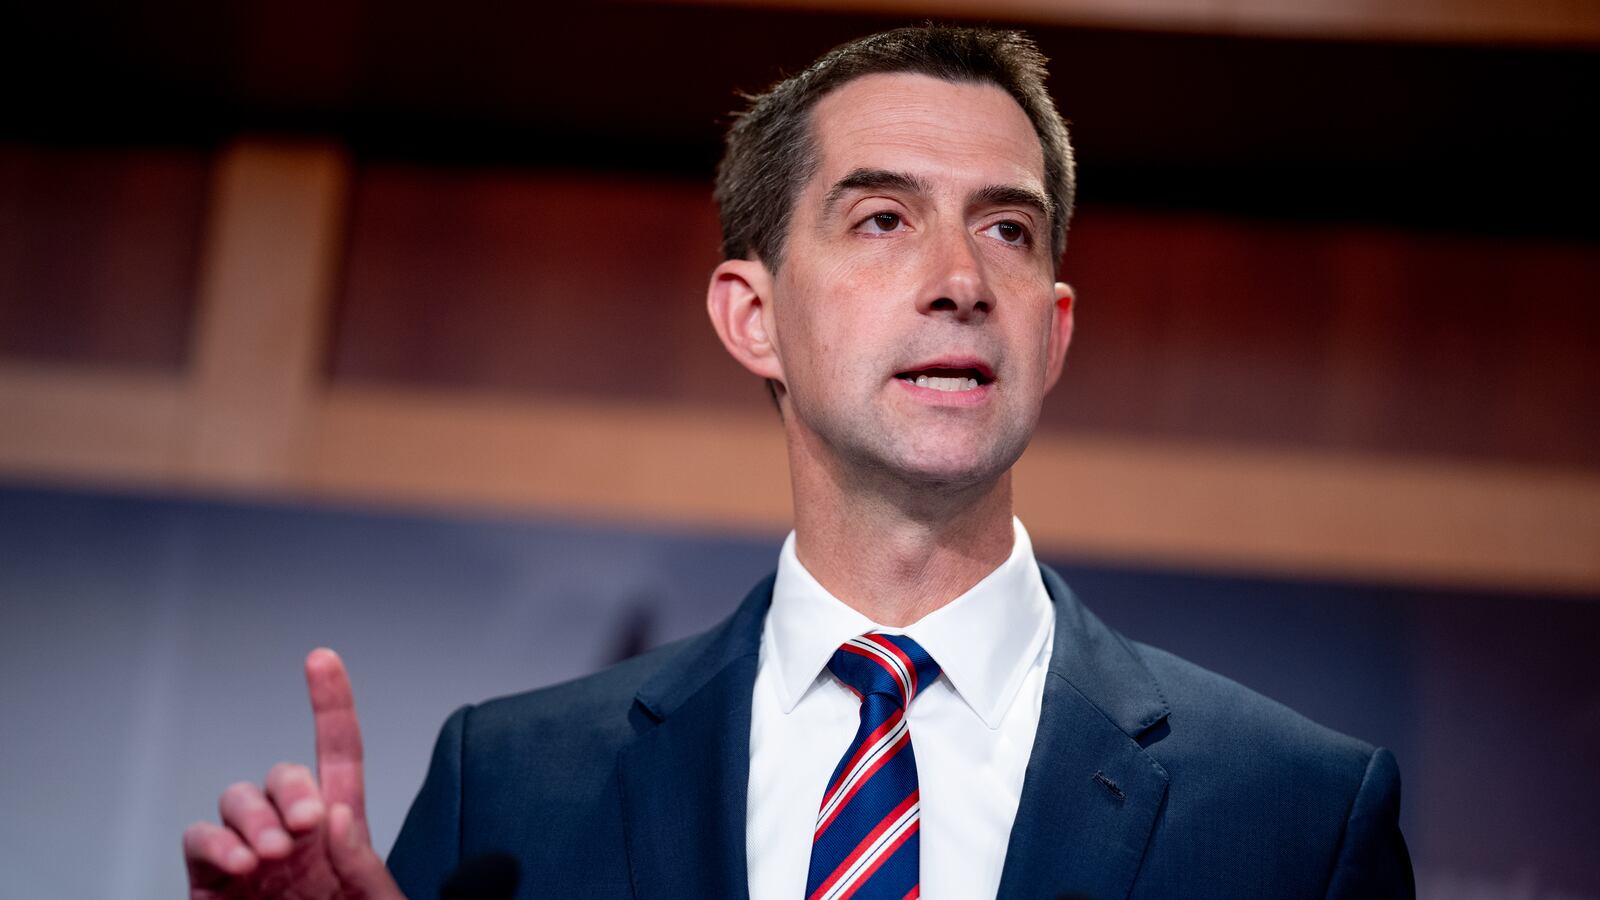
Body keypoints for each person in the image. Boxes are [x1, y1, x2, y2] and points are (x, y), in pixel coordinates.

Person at [183, 25, 1414, 900]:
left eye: (1007, 228)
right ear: (749, 316)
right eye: (882, 219)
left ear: (1053, 328)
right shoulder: (505, 788)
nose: (958, 281)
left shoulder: (1293, 814)